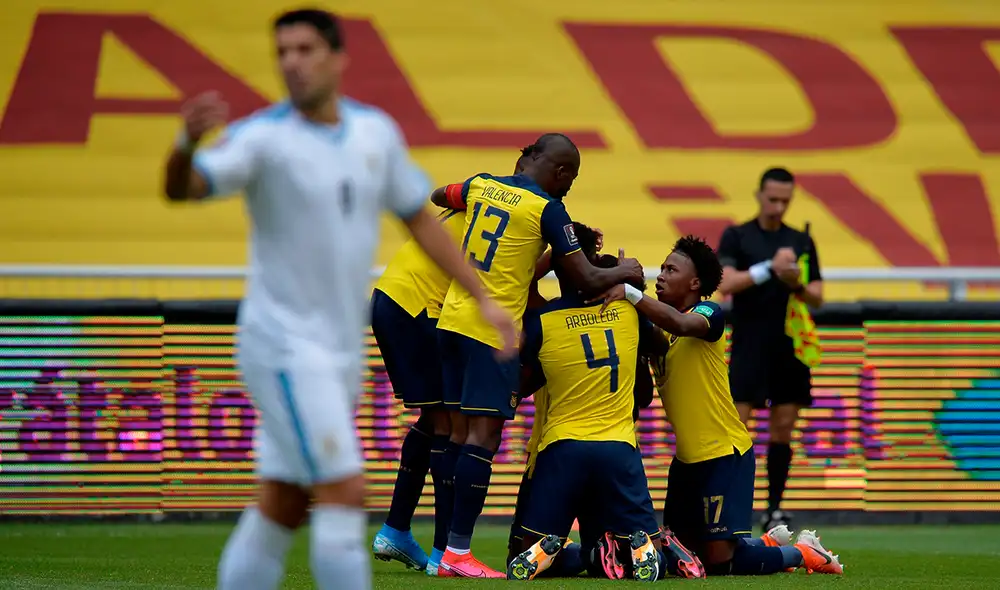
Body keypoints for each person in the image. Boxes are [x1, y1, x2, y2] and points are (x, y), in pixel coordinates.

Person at [162, 10, 516, 590]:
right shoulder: (263, 139)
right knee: (344, 491)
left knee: (282, 503)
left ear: (337, 58)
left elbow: (420, 220)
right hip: (282, 345)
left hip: (338, 350)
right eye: (283, 52)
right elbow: (184, 188)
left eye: (304, 49)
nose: (292, 63)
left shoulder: (374, 134)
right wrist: (184, 145)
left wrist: (483, 298)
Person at [430, 133, 645, 578]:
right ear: (561, 171)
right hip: (491, 331)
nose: (569, 187)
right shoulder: (548, 208)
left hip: (451, 321)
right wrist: (625, 271)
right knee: (482, 440)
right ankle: (457, 553)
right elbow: (587, 279)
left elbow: (438, 195)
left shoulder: (481, 184)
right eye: (571, 178)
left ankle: (442, 552)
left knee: (455, 436)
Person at [598, 236, 843, 577]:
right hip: (686, 462)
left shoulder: (707, 313)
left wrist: (631, 294)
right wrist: (623, 286)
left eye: (672, 269)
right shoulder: (660, 332)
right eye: (662, 268)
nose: (662, 275)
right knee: (682, 557)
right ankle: (765, 544)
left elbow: (682, 324)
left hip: (723, 455)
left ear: (695, 283)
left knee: (719, 563)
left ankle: (802, 553)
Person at [370, 147, 539, 576]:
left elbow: (437, 197)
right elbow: (505, 278)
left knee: (433, 421)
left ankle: (398, 529)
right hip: (420, 307)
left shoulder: (481, 197)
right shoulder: (520, 212)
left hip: (393, 296)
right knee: (450, 426)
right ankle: (445, 553)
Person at [508, 243, 704, 582]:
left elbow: (522, 381)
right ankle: (649, 550)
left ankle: (563, 551)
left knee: (524, 552)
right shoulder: (628, 312)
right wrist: (630, 284)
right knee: (639, 548)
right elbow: (658, 349)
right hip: (618, 447)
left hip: (561, 447)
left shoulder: (543, 320)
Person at [716, 167, 824, 532]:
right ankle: (728, 506)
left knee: (783, 428)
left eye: (785, 201)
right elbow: (726, 283)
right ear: (760, 195)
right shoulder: (738, 235)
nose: (778, 207)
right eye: (773, 199)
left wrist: (795, 283)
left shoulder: (801, 240)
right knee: (735, 426)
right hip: (749, 343)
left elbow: (817, 296)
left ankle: (774, 509)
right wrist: (768, 268)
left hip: (788, 346)